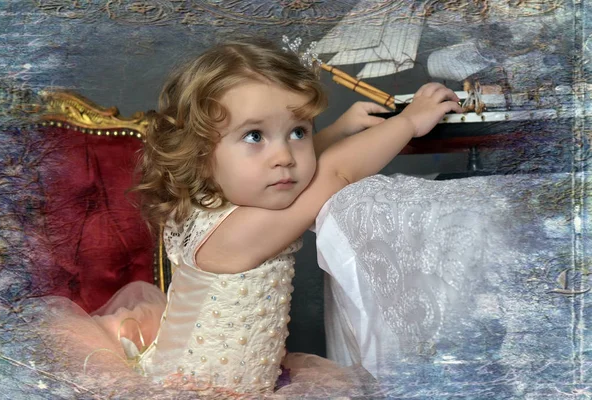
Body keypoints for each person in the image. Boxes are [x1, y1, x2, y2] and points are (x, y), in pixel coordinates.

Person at [34, 37, 462, 398]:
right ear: (201, 153)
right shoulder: (235, 236)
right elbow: (334, 173)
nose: (283, 156)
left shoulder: (214, 194)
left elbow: (299, 170)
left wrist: (338, 130)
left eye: (298, 130)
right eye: (254, 135)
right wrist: (408, 121)